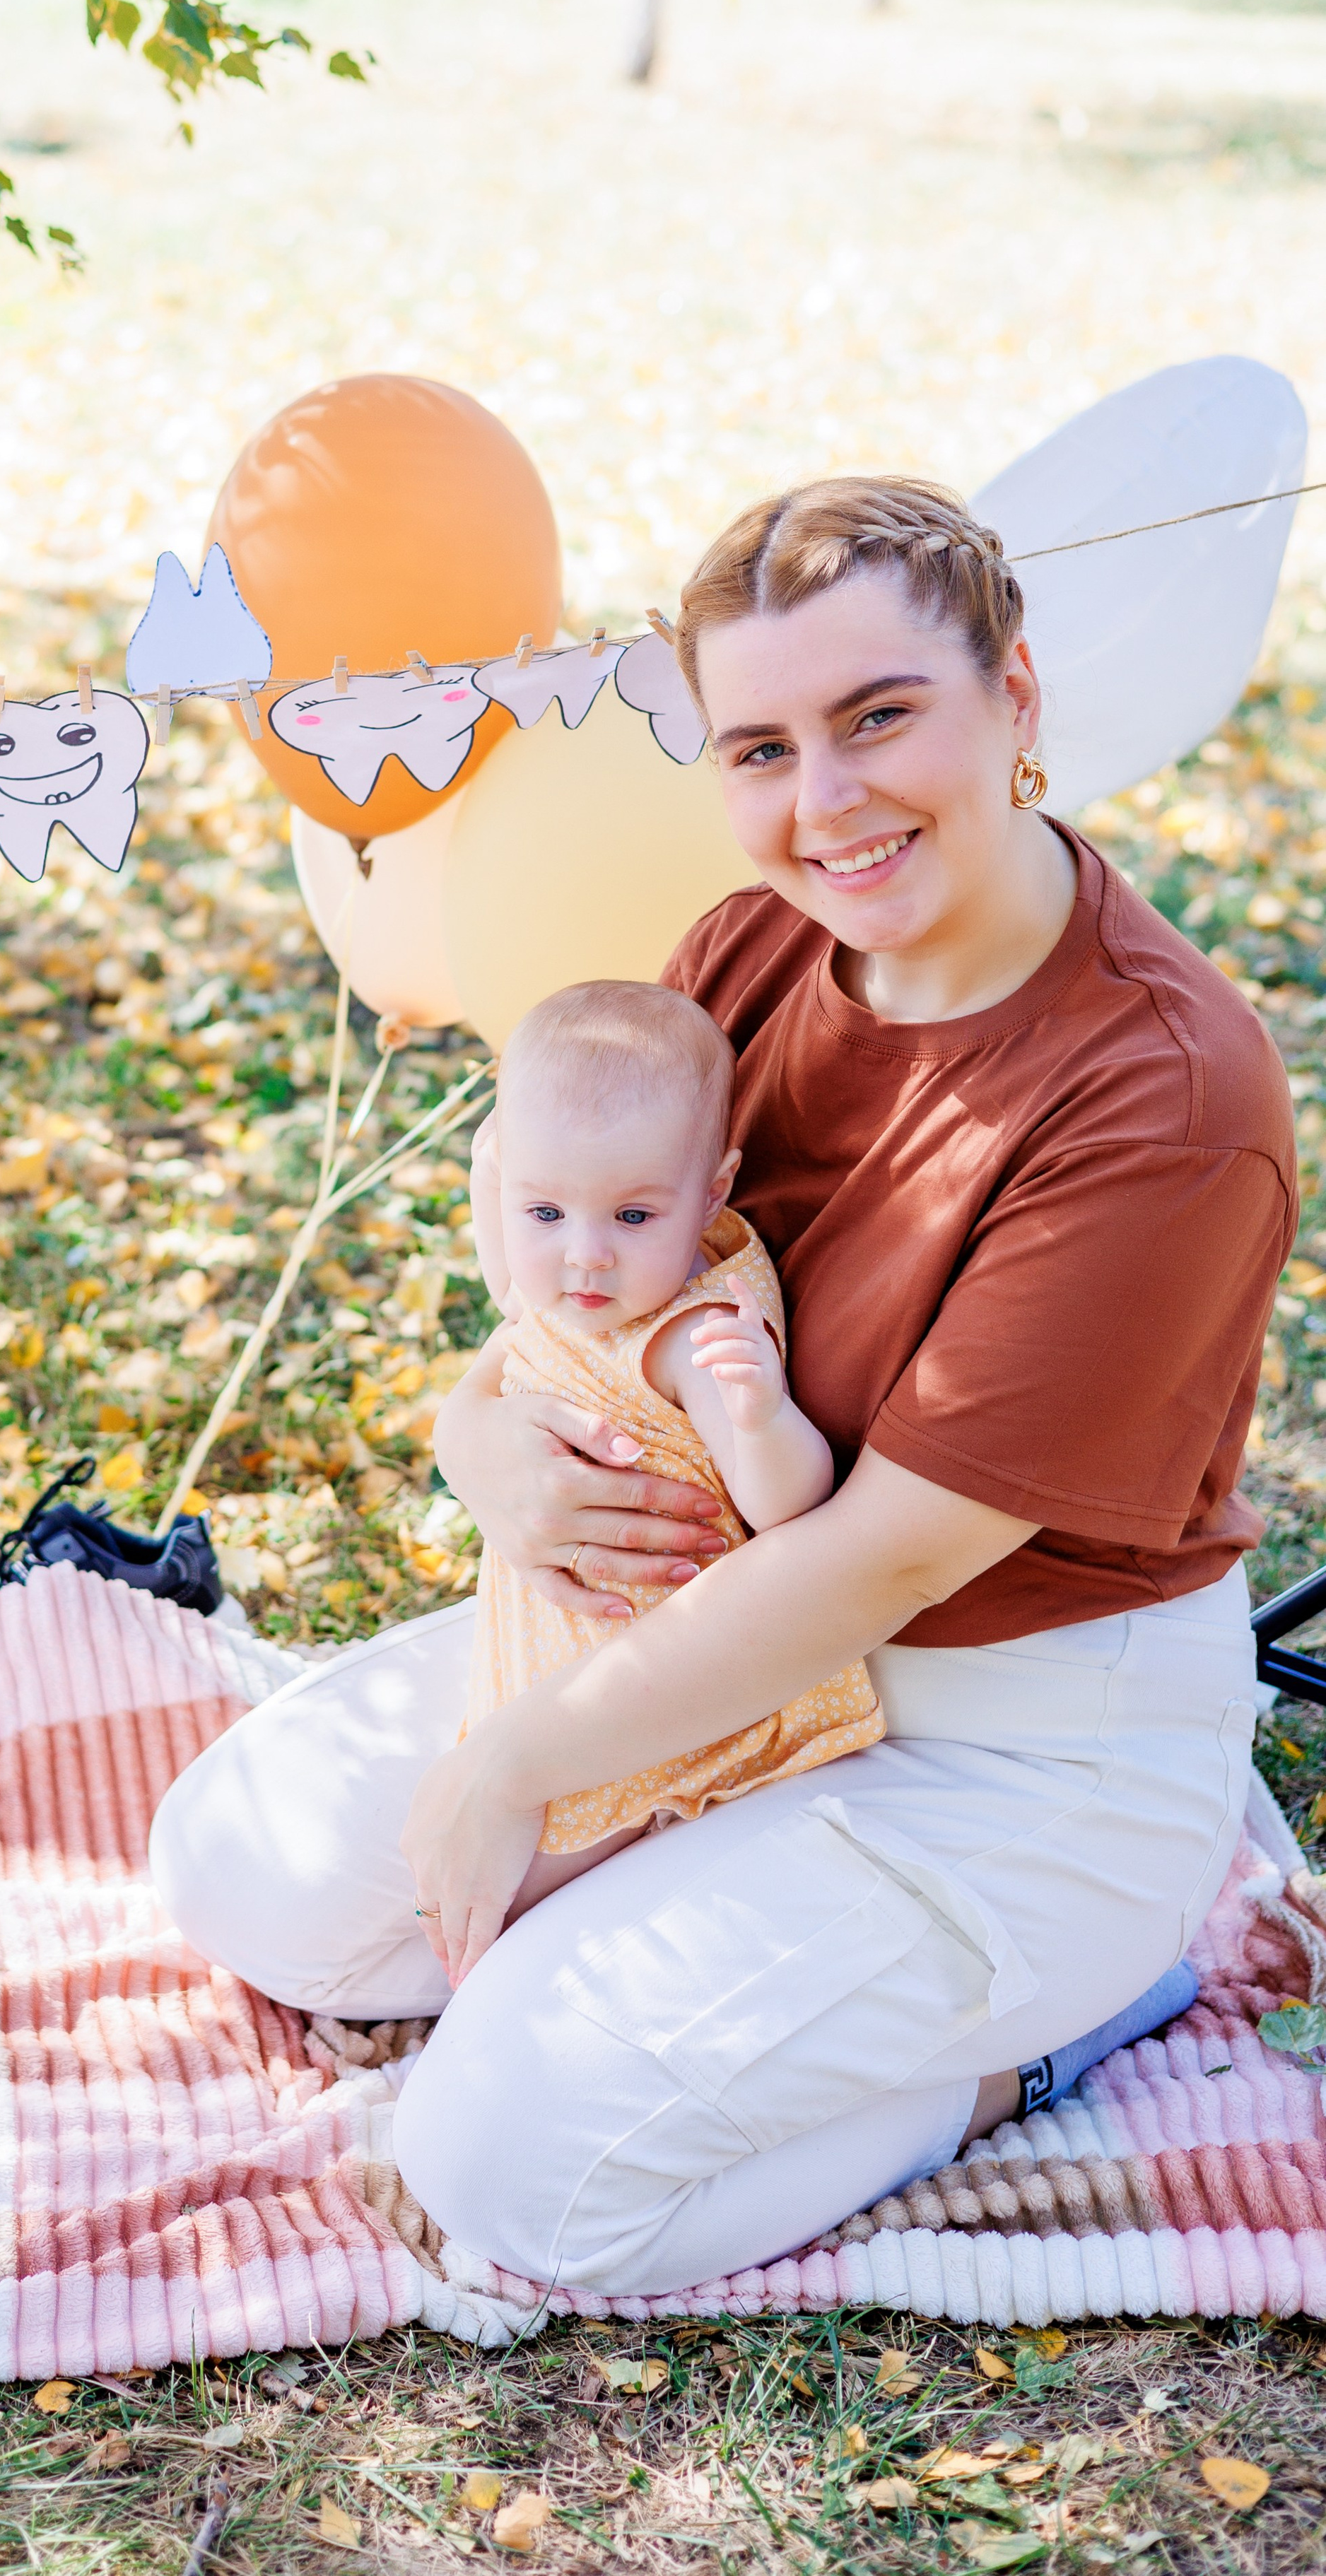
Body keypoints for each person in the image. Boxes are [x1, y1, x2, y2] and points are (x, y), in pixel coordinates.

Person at [150, 475, 1294, 2295]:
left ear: (1013, 694)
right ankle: (707, 1910)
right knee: (238, 1870)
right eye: (757, 746)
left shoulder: (1158, 1091)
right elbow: (592, 1274)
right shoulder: (753, 950)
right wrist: (479, 1441)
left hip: (1010, 1742)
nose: (820, 803)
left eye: (876, 717)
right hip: (705, 1647)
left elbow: (878, 1566)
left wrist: (525, 1756)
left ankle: (1055, 2028)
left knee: (509, 2168)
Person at [460, 975, 881, 1944]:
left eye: (634, 1218)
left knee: (528, 1897)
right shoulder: (567, 1280)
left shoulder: (696, 1334)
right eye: (545, 1214)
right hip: (552, 1660)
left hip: (664, 1688)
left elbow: (789, 1505)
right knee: (492, 1868)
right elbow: (512, 1284)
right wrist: (500, 1175)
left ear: (716, 1192)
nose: (585, 1259)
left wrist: (764, 1414)